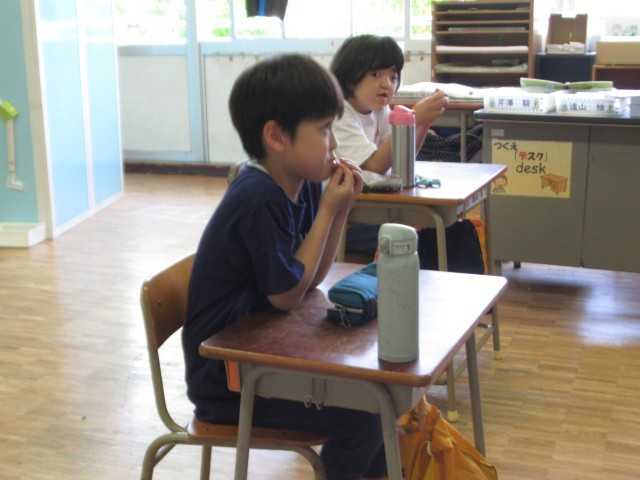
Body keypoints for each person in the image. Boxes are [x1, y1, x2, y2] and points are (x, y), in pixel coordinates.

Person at [182, 54, 387, 480]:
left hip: (261, 355)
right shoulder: (257, 196)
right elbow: (286, 296)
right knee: (365, 415)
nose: (334, 144)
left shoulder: (301, 182)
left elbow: (310, 280)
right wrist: (328, 211)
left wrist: (340, 209)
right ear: (276, 137)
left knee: (378, 398)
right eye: (324, 129)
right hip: (229, 380)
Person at [330, 34, 449, 255]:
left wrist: (423, 122)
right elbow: (374, 166)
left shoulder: (379, 110)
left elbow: (401, 157)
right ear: (350, 77)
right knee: (421, 237)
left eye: (393, 77)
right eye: (376, 74)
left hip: (368, 208)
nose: (387, 84)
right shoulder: (340, 114)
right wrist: (413, 116)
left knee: (448, 229)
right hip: (343, 220)